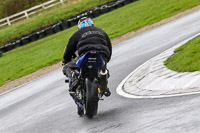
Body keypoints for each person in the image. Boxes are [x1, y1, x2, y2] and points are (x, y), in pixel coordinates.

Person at [62, 17, 112, 97]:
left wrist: (66, 61)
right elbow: (109, 46)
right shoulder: (101, 31)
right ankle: (104, 85)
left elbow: (69, 49)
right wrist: (107, 58)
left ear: (79, 26)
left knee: (67, 67)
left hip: (85, 54)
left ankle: (74, 79)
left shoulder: (78, 33)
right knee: (104, 70)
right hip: (102, 55)